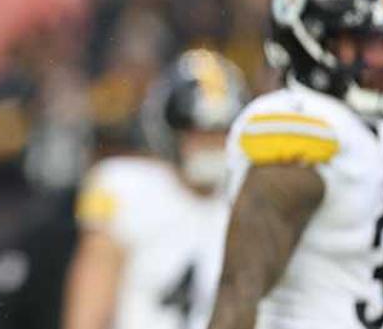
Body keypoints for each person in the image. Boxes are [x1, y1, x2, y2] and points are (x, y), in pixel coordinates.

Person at [207, 0, 383, 329]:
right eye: (365, 44)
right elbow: (239, 285)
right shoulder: (300, 126)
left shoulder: (370, 131)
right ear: (310, 41)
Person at [63, 49, 249, 329]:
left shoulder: (250, 200)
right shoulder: (124, 188)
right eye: (198, 131)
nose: (210, 144)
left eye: (220, 131)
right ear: (169, 132)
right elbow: (89, 311)